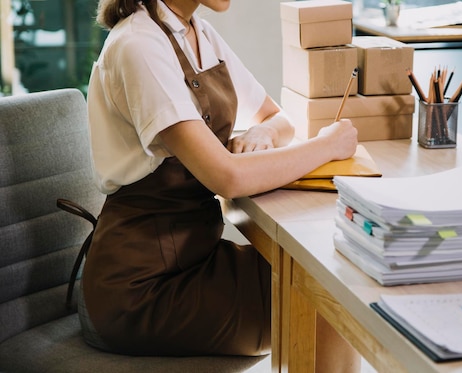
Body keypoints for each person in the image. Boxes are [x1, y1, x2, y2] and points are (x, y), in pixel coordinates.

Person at [81, 0, 360, 371]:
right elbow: (228, 178)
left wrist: (262, 130)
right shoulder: (139, 46)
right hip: (141, 289)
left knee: (329, 277)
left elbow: (279, 119)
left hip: (194, 256)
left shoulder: (199, 34)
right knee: (327, 296)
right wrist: (328, 145)